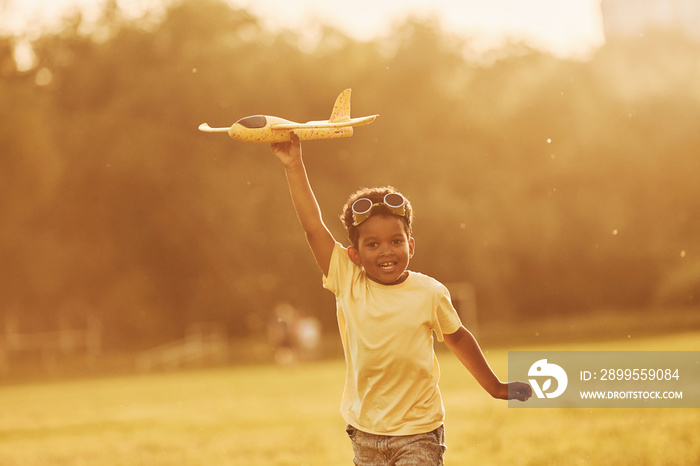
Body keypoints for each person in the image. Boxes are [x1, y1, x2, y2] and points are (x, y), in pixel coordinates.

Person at [271, 132, 531, 465]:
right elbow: (313, 228)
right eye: (373, 244)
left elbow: (458, 337)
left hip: (419, 432)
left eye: (395, 241)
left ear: (411, 244)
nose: (386, 252)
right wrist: (294, 164)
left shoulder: (430, 292)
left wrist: (495, 387)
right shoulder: (347, 280)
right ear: (354, 253)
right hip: (365, 433)